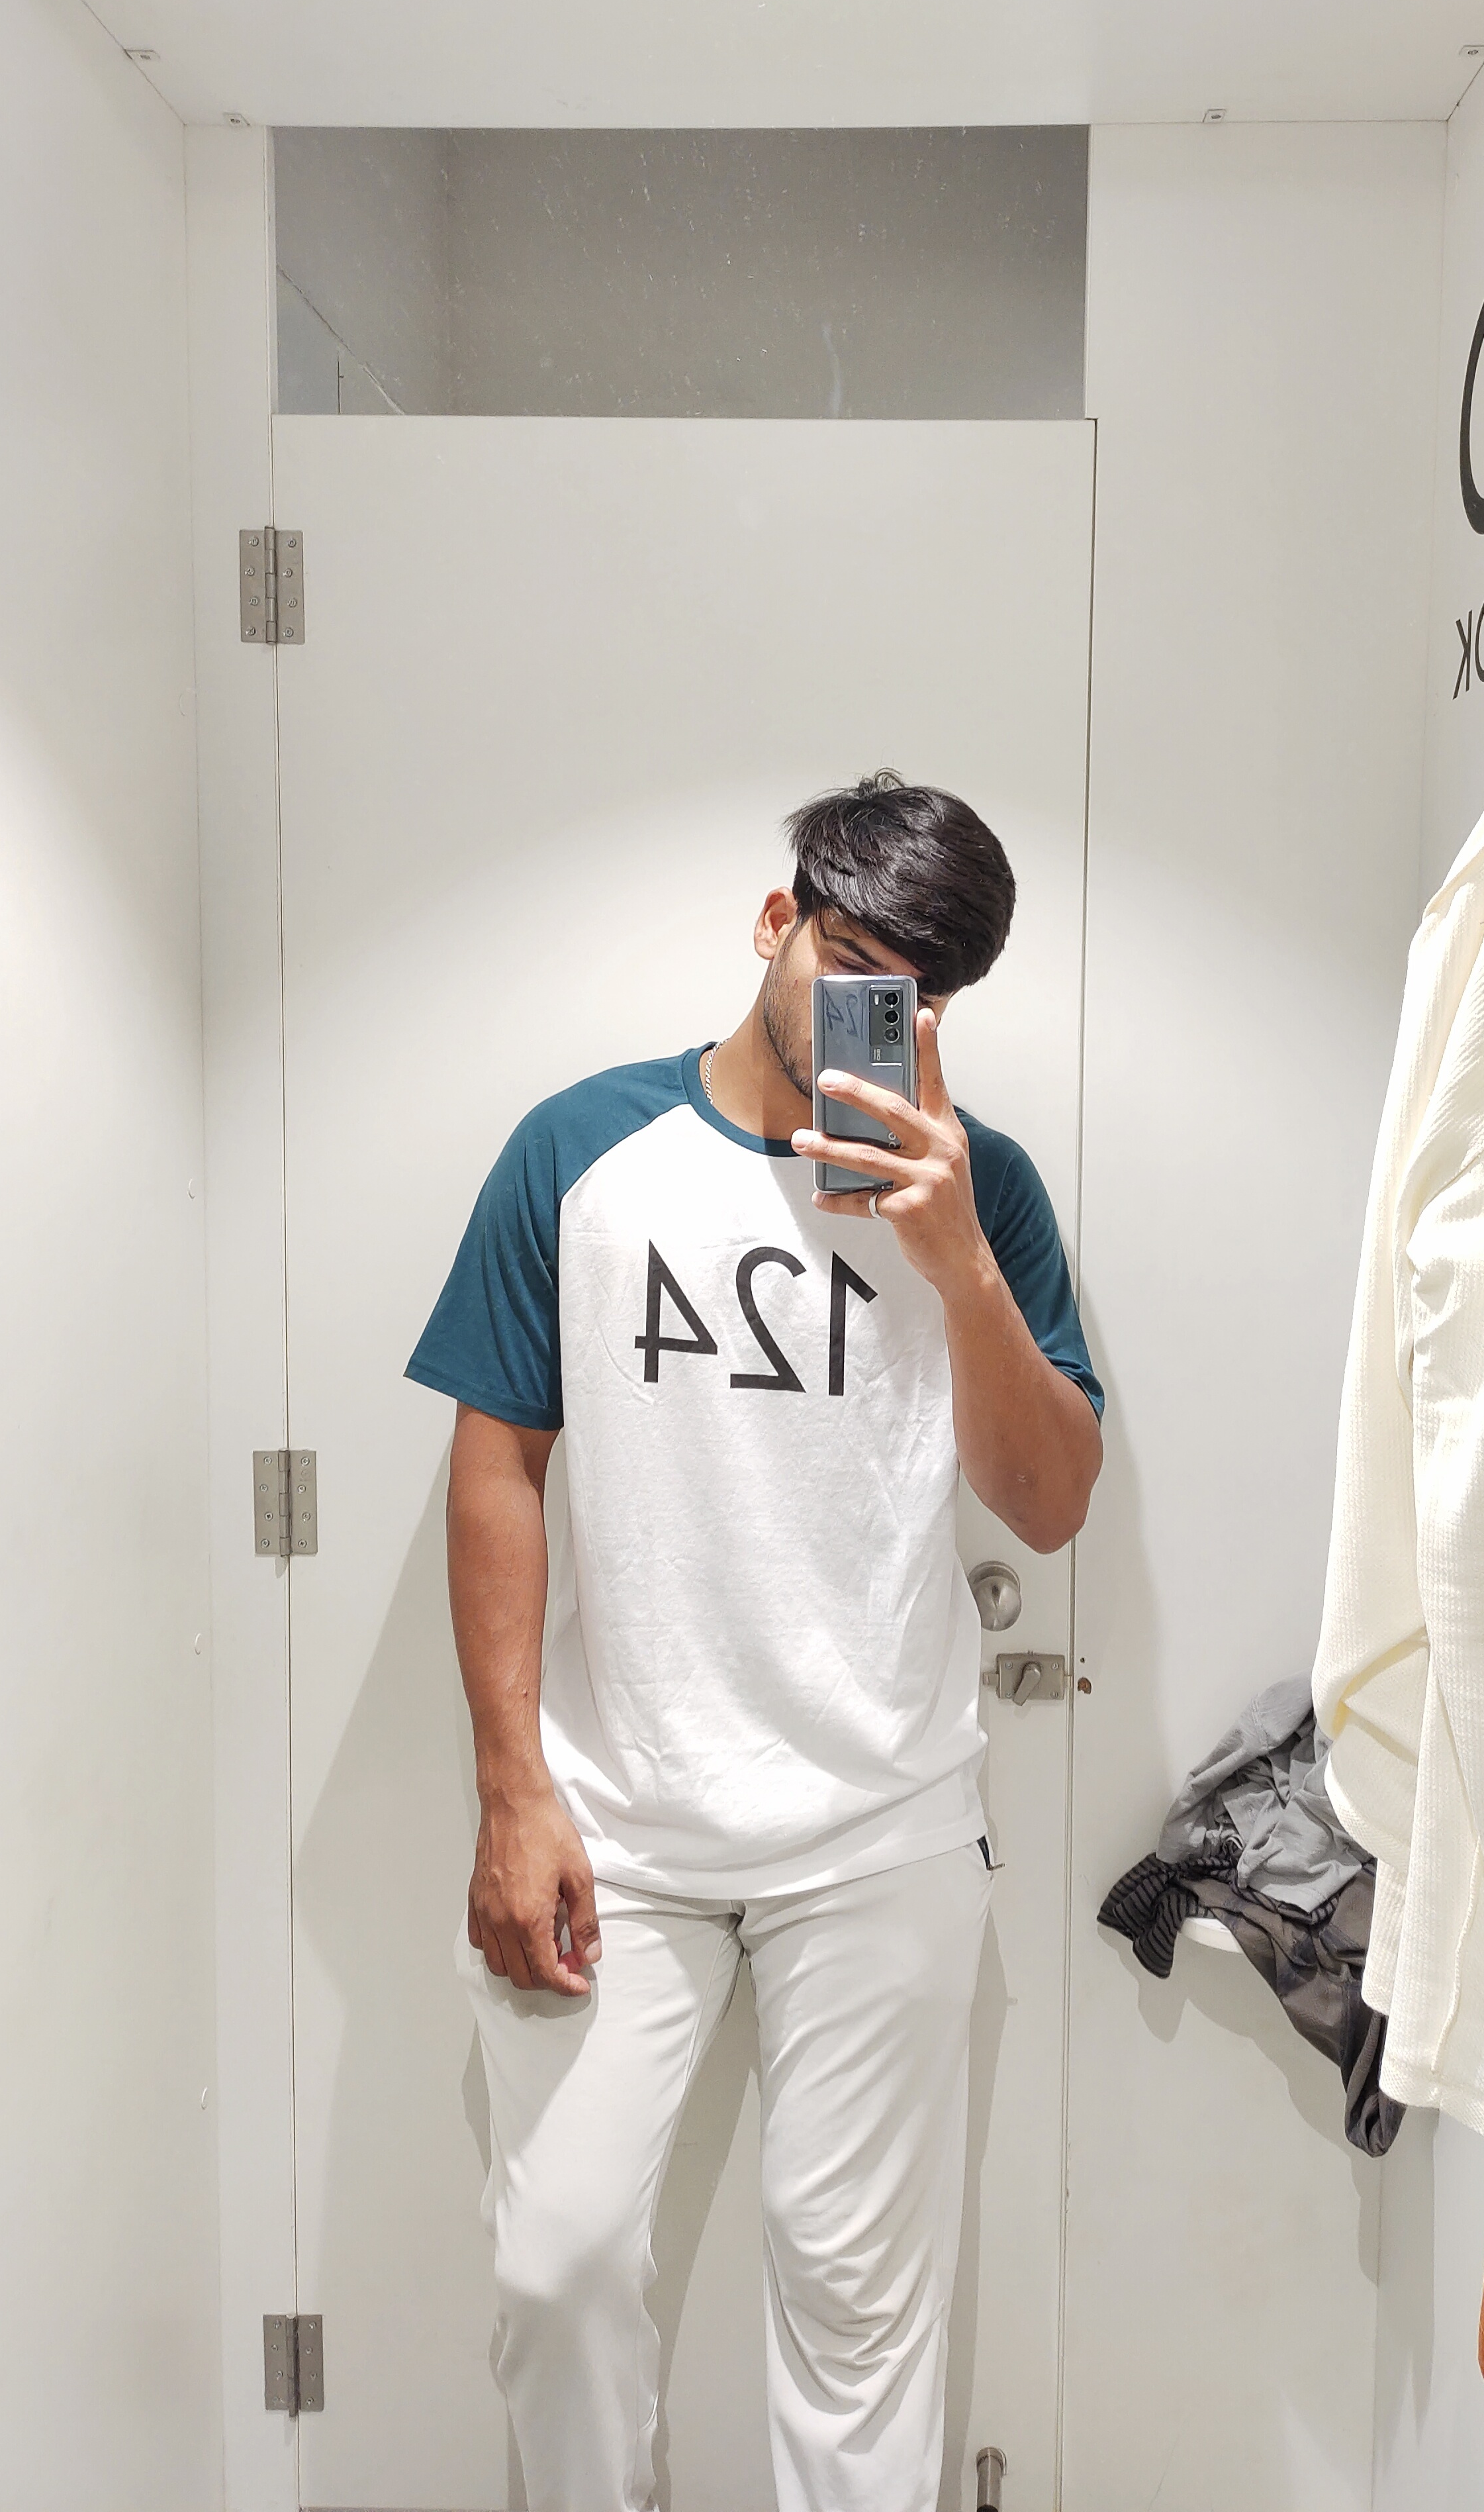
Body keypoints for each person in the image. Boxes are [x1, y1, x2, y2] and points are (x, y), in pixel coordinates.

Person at [406, 772, 1103, 2512]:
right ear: (777, 921)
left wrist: (960, 1267)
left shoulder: (983, 1191)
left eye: (920, 999)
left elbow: (1049, 1502)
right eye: (854, 965)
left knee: (860, 2311)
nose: (880, 1016)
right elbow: (496, 1464)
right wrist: (510, 1790)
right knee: (556, 2271)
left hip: (882, 1829)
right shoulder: (579, 1150)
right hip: (617, 1828)